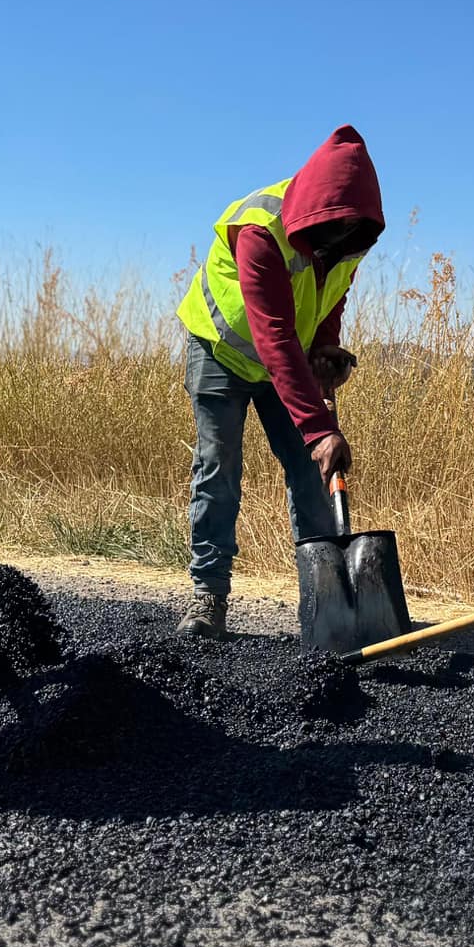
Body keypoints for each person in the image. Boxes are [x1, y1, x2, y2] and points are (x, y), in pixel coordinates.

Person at [173, 126, 385, 639]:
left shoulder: (350, 235)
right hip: (221, 352)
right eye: (334, 232)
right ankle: (209, 595)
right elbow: (274, 336)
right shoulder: (260, 230)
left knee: (311, 471)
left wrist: (326, 345)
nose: (340, 243)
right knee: (219, 468)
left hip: (284, 363)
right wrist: (319, 429)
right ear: (316, 211)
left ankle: (326, 605)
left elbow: (330, 294)